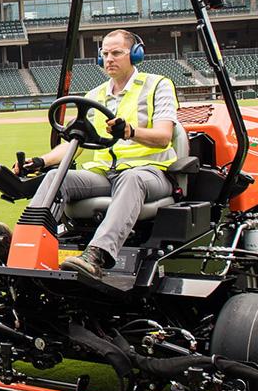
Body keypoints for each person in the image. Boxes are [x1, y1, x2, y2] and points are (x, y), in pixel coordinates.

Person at [14, 29, 179, 278]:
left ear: (135, 55)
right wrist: (39, 161)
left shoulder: (157, 85)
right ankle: (25, 245)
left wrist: (130, 131)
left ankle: (97, 254)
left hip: (150, 172)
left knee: (130, 178)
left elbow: (164, 136)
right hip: (104, 175)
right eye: (104, 54)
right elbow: (75, 144)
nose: (109, 59)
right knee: (55, 178)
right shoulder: (95, 95)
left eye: (116, 53)